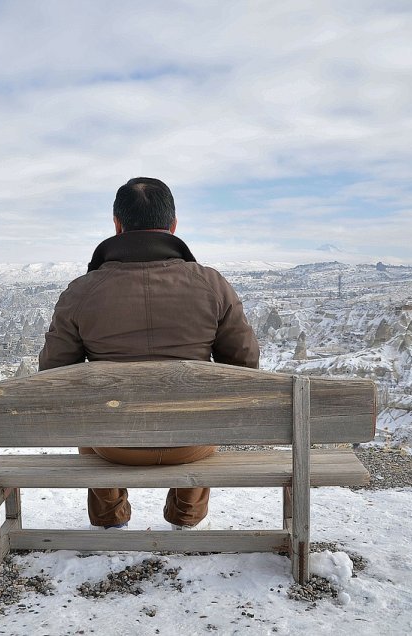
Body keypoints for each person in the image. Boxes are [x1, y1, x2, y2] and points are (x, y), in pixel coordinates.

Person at [38, 177, 259, 530]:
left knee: (86, 418)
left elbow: (53, 375)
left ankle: (110, 519)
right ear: (172, 226)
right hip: (192, 442)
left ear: (116, 225)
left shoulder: (82, 291)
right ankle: (185, 518)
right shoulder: (212, 284)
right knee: (205, 411)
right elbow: (244, 366)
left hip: (111, 445)